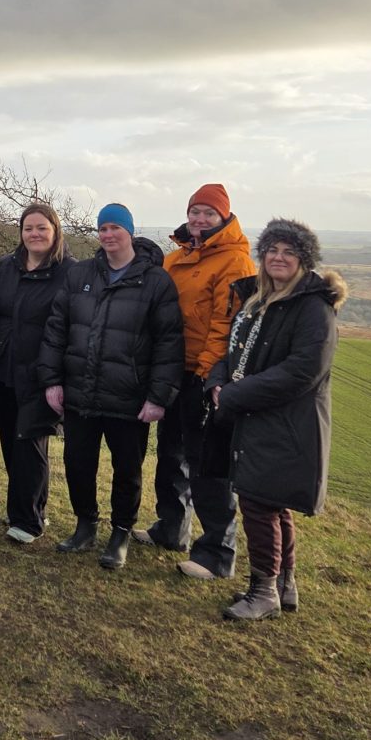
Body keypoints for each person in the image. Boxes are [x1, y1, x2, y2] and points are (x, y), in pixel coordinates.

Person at [207, 218, 346, 621]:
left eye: (289, 252)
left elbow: (302, 371)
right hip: (257, 418)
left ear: (304, 260)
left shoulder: (313, 308)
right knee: (272, 503)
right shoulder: (258, 302)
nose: (278, 258)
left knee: (259, 502)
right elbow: (233, 353)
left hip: (286, 422)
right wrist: (217, 381)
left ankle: (262, 591)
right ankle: (284, 584)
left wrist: (233, 394)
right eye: (272, 251)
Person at [38, 203, 183, 569]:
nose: (107, 235)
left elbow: (169, 343)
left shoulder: (155, 281)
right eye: (102, 228)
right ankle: (85, 525)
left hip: (129, 396)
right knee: (77, 463)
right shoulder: (80, 274)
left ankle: (120, 534)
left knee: (127, 469)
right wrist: (52, 380)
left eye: (115, 228)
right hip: (81, 391)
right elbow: (57, 329)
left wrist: (158, 397)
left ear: (130, 232)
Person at [132, 184, 256, 580]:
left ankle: (217, 554)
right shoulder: (178, 257)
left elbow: (227, 326)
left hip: (204, 375)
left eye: (208, 213)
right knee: (170, 454)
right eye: (195, 212)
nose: (200, 219)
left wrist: (205, 375)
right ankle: (171, 530)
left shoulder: (236, 262)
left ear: (224, 217)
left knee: (208, 465)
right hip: (173, 368)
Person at [0, 203, 75, 544]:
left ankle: (29, 520)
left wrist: (60, 374)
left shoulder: (70, 272)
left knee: (32, 442)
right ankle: (22, 507)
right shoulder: (6, 266)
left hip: (43, 371)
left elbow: (72, 326)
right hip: (4, 368)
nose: (34, 234)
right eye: (28, 228)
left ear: (55, 231)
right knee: (11, 441)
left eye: (42, 228)